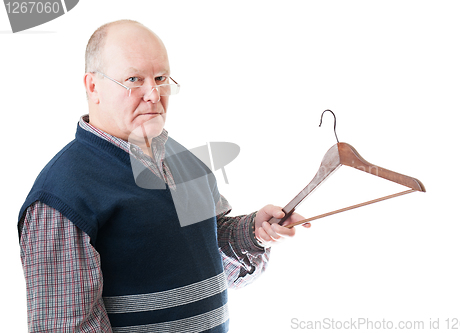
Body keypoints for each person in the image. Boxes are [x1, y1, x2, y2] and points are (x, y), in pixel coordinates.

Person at [17, 19, 309, 332]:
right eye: (133, 79)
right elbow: (65, 328)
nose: (154, 95)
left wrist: (253, 232)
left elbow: (214, 257)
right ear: (92, 86)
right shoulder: (62, 196)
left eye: (160, 78)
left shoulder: (187, 163)